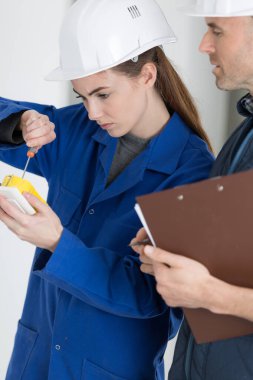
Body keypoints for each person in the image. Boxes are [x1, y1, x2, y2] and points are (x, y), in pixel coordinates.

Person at [0, 0, 214, 379]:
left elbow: (155, 296)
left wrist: (57, 243)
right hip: (36, 363)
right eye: (82, 97)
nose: (92, 112)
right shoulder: (81, 131)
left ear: (147, 75)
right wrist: (19, 123)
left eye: (102, 94)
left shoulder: (193, 171)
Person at [132, 0, 253, 379]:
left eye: (216, 30)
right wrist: (173, 250)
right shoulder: (244, 136)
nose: (204, 44)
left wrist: (207, 293)